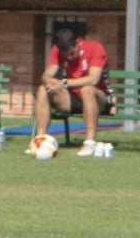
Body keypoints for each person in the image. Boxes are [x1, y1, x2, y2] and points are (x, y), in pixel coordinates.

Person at [30, 26, 111, 154]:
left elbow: (93, 79)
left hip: (98, 99)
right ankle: (40, 141)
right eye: (66, 55)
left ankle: (89, 143)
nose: (70, 57)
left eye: (72, 53)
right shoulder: (57, 50)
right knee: (42, 89)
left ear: (78, 42)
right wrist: (50, 82)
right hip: (73, 97)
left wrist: (64, 82)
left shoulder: (95, 48)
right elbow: (47, 74)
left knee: (87, 90)